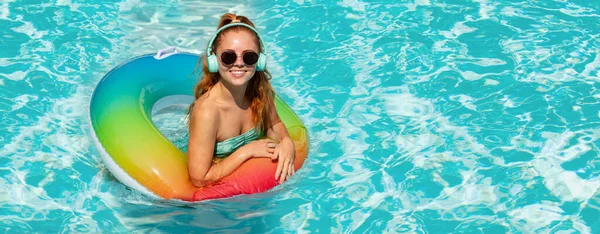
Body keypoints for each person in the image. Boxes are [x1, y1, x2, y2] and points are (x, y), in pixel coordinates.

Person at [186, 13, 295, 188]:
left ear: (259, 60)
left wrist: (286, 142)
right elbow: (200, 179)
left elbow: (274, 125)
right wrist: (248, 151)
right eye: (228, 56)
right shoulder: (208, 111)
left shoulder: (259, 91)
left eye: (249, 57)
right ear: (214, 59)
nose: (239, 63)